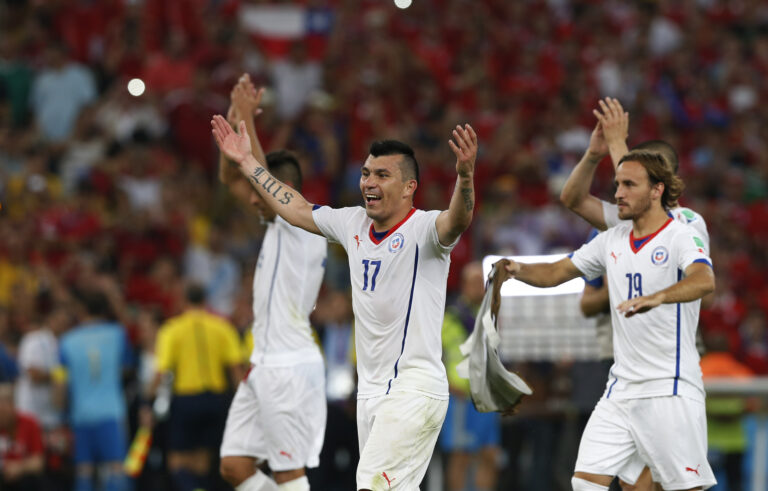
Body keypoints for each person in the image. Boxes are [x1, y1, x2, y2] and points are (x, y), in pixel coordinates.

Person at [211, 109, 479, 490]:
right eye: (366, 173)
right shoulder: (352, 223)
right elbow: (296, 206)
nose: (369, 181)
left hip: (413, 388)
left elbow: (459, 218)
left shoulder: (425, 230)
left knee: (371, 486)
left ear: (409, 188)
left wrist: (465, 177)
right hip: (370, 392)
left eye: (382, 175)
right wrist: (248, 162)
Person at [504, 150, 717, 491]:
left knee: (683, 488)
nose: (618, 193)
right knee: (586, 482)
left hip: (670, 386)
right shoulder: (611, 240)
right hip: (620, 388)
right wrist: (516, 269)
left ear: (656, 190)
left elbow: (704, 280)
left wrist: (660, 295)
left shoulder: (680, 235)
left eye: (629, 184)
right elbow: (557, 271)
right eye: (617, 184)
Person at [217, 75, 328, 491]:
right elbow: (233, 180)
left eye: (258, 189)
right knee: (234, 465)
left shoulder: (304, 223)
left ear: (282, 190)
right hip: (264, 364)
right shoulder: (274, 228)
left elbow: (254, 178)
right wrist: (232, 128)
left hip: (290, 369)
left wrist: (247, 117)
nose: (249, 198)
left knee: (288, 472)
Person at [560, 97, 709, 249]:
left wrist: (616, 142)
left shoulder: (689, 223)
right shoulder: (625, 218)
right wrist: (592, 156)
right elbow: (574, 200)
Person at [151, 284, 243, 491]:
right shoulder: (222, 327)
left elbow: (161, 372)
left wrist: (148, 401)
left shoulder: (171, 330)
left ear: (183, 300)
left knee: (176, 463)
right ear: (205, 300)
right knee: (202, 463)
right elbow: (236, 371)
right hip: (216, 401)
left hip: (186, 401)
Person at [53, 289, 132, 491]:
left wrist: (59, 416)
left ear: (81, 310)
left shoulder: (66, 341)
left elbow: (60, 384)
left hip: (81, 415)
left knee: (84, 471)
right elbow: (126, 368)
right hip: (111, 412)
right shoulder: (117, 334)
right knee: (116, 468)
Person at [440, 261, 501, 491]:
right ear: (464, 285)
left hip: (485, 397)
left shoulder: (490, 315)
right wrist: (446, 383)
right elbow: (437, 354)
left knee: (489, 454)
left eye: (482, 283)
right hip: (460, 398)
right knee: (461, 456)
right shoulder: (450, 317)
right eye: (475, 282)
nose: (480, 287)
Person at [0, 381, 45, 491]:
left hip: (24, 479)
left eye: (4, 411)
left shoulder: (29, 423)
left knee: (31, 480)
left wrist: (19, 468)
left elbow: (38, 462)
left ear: (13, 406)